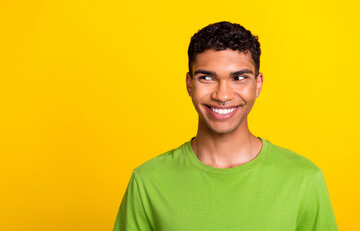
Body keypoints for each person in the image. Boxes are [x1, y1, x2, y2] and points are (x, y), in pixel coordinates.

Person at [113, 21, 338, 231]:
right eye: (207, 78)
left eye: (238, 78)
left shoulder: (304, 179)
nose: (223, 95)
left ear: (257, 84)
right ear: (189, 84)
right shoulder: (147, 181)